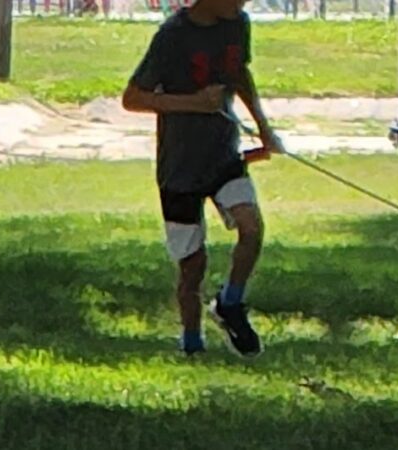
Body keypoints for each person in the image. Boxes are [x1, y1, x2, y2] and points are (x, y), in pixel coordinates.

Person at [122, 0, 282, 357]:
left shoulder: (237, 23)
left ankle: (230, 303)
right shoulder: (172, 36)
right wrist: (193, 103)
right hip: (180, 167)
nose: (243, 3)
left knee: (251, 228)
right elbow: (132, 99)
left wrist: (264, 128)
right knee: (192, 266)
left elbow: (239, 73)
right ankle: (192, 344)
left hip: (223, 156)